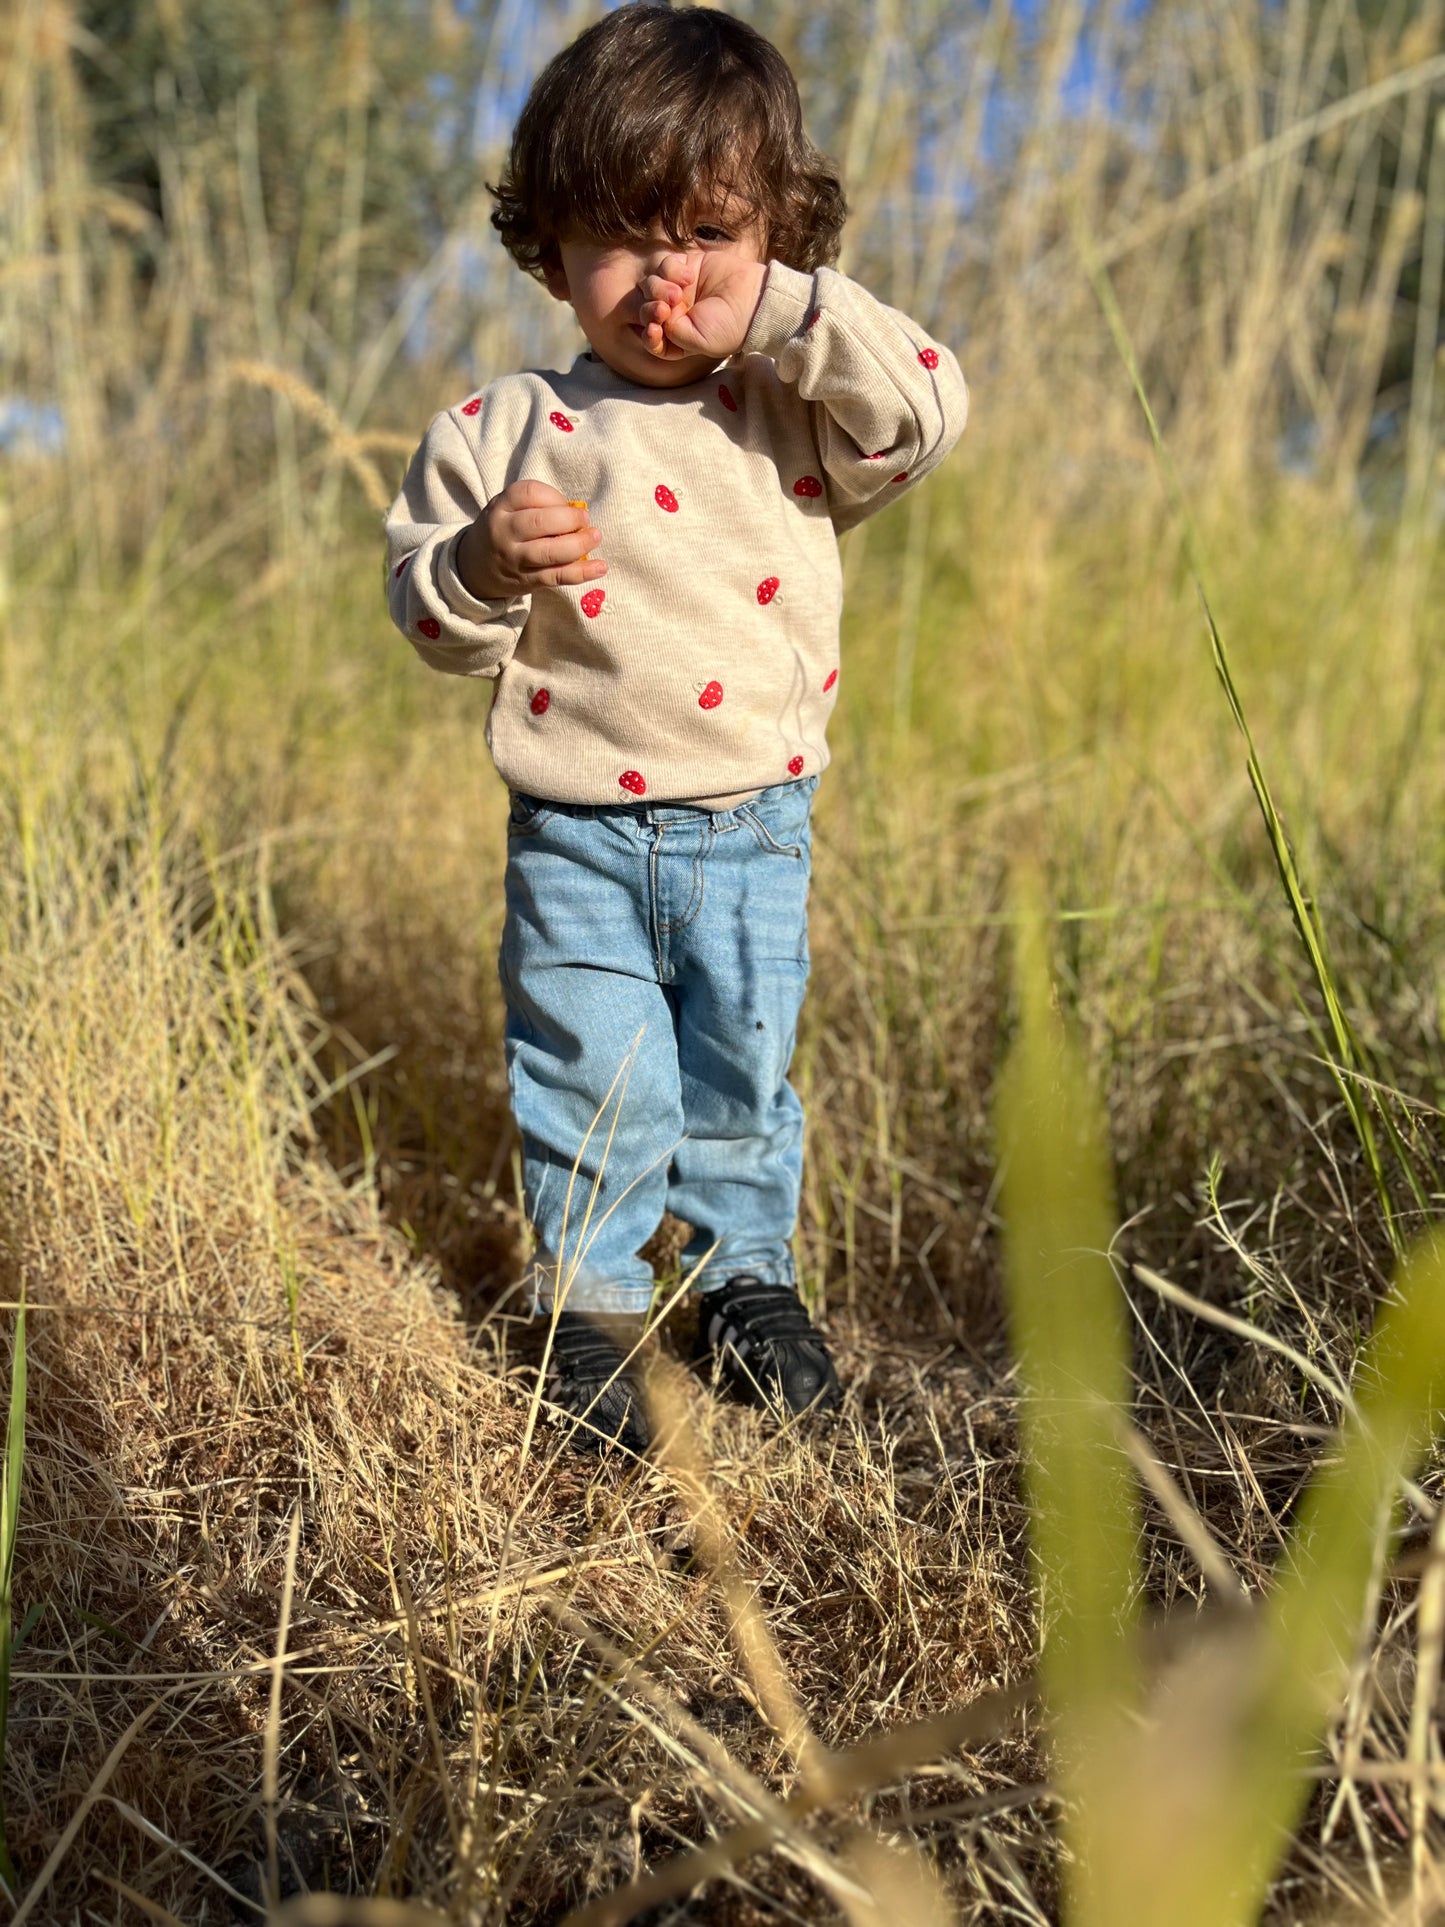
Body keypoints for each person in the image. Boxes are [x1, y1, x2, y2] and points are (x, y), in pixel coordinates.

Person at [384, 1, 969, 1455]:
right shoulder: (501, 427)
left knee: (738, 1073)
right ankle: (585, 1307)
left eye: (706, 233)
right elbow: (428, 623)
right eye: (618, 239)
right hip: (575, 830)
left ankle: (744, 1282)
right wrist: (481, 566)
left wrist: (777, 307)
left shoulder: (792, 403)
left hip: (752, 824)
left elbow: (926, 417)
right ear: (549, 249)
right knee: (589, 1072)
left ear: (776, 239)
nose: (664, 279)